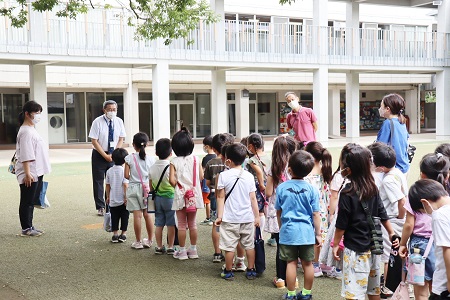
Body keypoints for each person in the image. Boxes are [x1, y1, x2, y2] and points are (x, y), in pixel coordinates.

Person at [332, 143, 398, 300]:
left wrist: (335, 244)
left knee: (353, 294)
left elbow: (342, 224)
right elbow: (382, 212)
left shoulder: (347, 192)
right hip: (374, 248)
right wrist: (391, 232)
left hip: (355, 251)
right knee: (373, 290)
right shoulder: (372, 187)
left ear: (348, 168)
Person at [398, 153, 447, 299]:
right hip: (438, 244)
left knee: (421, 289)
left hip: (419, 246)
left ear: (422, 174)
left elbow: (409, 224)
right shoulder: (444, 194)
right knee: (437, 285)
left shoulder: (415, 193)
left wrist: (402, 244)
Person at [276, 150, 321, 300]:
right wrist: (318, 234)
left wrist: (281, 226)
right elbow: (315, 214)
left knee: (291, 263)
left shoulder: (282, 188)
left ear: (289, 169)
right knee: (308, 264)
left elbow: (278, 211)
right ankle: (306, 294)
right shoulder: (312, 190)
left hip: (288, 231)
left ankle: (290, 294)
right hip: (307, 232)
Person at [215, 143, 260, 281]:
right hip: (247, 217)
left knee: (229, 247)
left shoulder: (223, 175)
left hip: (229, 218)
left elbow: (221, 197)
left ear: (228, 159)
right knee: (249, 245)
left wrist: (220, 216)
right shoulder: (249, 176)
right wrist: (257, 216)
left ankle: (228, 271)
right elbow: (253, 198)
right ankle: (251, 270)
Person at [368, 142, 407, 298]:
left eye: (372, 162)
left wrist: (399, 217)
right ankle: (397, 284)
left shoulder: (388, 180)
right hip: (395, 220)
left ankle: (387, 287)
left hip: (391, 220)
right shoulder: (398, 172)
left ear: (380, 167)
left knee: (387, 256)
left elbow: (402, 200)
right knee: (397, 253)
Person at [407, 179, 450, 300]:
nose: (426, 213)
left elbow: (447, 249)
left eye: (422, 211)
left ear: (425, 203)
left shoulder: (439, 216)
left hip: (444, 286)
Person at [265, 135, 297, 289]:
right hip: (294, 209)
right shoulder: (296, 166)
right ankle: (293, 279)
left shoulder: (274, 168)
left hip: (277, 211)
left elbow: (269, 192)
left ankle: (280, 279)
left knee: (280, 246)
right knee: (292, 246)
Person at [15, 100, 51, 237]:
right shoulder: (26, 132)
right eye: (36, 113)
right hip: (30, 172)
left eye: (39, 113)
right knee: (27, 201)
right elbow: (26, 154)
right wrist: (28, 173)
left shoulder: (30, 129)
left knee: (31, 200)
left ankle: (29, 225)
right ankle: (26, 228)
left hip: (36, 170)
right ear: (27, 114)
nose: (38, 115)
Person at [169, 127, 204, 260]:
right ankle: (193, 250)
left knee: (182, 224)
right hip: (193, 195)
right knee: (193, 223)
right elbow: (201, 176)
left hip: (180, 195)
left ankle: (182, 251)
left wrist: (178, 185)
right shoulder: (196, 159)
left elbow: (172, 180)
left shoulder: (174, 161)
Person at [88, 100, 126, 216]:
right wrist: (105, 155)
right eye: (109, 110)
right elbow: (94, 141)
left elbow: (121, 138)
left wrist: (114, 153)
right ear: (104, 110)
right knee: (98, 181)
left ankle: (110, 204)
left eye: (114, 110)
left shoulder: (119, 121)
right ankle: (100, 206)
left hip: (114, 155)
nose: (112, 112)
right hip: (99, 154)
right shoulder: (97, 122)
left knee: (112, 180)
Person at [204, 133, 235, 263]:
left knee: (216, 225)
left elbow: (206, 183)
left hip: (215, 196)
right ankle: (232, 255)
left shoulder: (210, 163)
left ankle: (217, 253)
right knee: (231, 226)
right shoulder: (232, 162)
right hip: (231, 198)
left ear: (214, 148)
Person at [304, 141, 333, 278]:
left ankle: (315, 264)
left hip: (312, 208)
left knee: (313, 235)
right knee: (321, 234)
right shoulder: (324, 169)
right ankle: (321, 262)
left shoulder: (307, 173)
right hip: (323, 207)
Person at [124, 132, 155, 249]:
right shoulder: (151, 159)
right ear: (147, 144)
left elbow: (126, 175)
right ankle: (150, 240)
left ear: (133, 144)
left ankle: (138, 242)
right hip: (148, 189)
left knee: (137, 216)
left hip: (133, 189)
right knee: (148, 215)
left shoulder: (129, 158)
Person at [149, 138, 176, 255]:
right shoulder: (171, 167)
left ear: (156, 153)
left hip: (157, 199)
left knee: (159, 223)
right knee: (170, 224)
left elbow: (150, 186)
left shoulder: (152, 167)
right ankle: (170, 246)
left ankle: (159, 247)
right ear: (171, 153)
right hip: (169, 198)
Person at [376, 93, 409, 174]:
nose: (380, 109)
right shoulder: (401, 122)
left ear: (387, 109)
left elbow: (380, 147)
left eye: (381, 106)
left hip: (393, 168)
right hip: (404, 166)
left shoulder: (388, 123)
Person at [246, 133, 271, 232]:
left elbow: (259, 172)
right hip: (269, 184)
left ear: (251, 146)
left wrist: (261, 184)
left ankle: (258, 233)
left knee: (258, 210)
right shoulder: (268, 156)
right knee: (265, 209)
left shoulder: (252, 160)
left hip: (258, 187)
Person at [105, 148, 129, 243]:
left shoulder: (109, 171)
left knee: (114, 217)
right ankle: (123, 234)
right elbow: (125, 185)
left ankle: (115, 234)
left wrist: (108, 196)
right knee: (124, 217)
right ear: (125, 160)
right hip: (123, 200)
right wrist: (126, 197)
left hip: (113, 199)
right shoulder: (124, 171)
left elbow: (107, 185)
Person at [200, 135, 216, 226]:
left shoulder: (206, 158)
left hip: (207, 183)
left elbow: (202, 172)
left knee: (207, 201)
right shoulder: (216, 156)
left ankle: (208, 217)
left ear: (206, 146)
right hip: (214, 183)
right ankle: (212, 216)